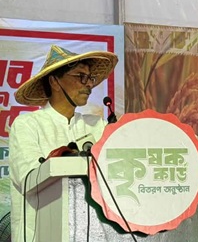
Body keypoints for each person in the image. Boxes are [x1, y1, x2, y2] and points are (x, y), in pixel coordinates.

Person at [9, 45, 118, 242]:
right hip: (39, 235)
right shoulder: (27, 124)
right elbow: (28, 178)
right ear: (55, 81)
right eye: (81, 76)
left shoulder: (99, 126)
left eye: (90, 78)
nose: (89, 84)